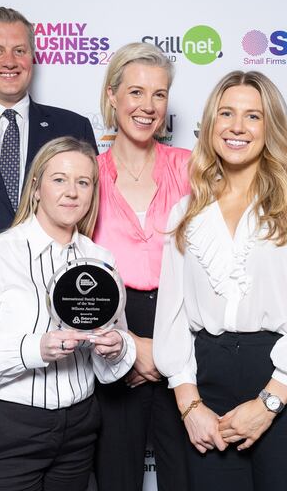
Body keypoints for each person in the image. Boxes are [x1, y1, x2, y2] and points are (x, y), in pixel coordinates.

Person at [153, 71, 287, 491]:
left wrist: (268, 403)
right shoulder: (186, 211)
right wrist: (189, 405)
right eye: (226, 113)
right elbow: (171, 317)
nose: (237, 127)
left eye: (253, 116)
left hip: (286, 387)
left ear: (270, 127)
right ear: (211, 125)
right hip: (207, 386)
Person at [0, 136, 137, 491]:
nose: (72, 192)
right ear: (36, 188)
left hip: (79, 428)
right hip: (8, 428)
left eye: (83, 182)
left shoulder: (101, 260)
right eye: (59, 179)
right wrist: (37, 349)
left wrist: (118, 348)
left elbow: (113, 358)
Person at [92, 43, 190, 491]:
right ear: (112, 97)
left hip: (182, 327)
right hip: (110, 332)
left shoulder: (192, 168)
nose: (148, 107)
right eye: (135, 92)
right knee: (116, 478)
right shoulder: (86, 176)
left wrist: (169, 351)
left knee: (187, 477)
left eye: (159, 94)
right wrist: (127, 346)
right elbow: (67, 272)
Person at [0, 6, 98, 238]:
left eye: (19, 50)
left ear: (32, 56)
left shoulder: (73, 128)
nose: (9, 62)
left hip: (54, 270)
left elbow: (89, 212)